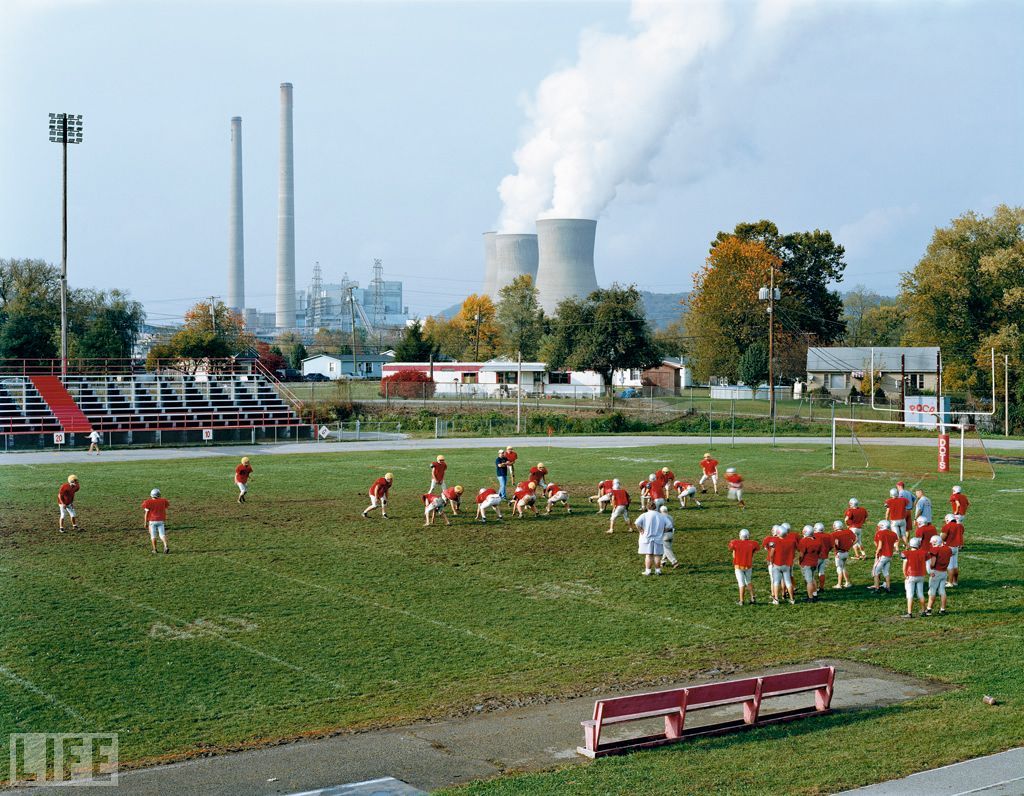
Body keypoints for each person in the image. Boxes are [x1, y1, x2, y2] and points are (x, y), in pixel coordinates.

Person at [766, 524, 797, 604]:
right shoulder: (791, 541)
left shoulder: (774, 541)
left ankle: (776, 599)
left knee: (776, 582)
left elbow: (772, 554)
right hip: (787, 564)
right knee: (788, 582)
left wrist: (771, 562)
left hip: (777, 564)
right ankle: (792, 599)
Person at [729, 529, 760, 605]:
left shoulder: (735, 543)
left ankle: (741, 601)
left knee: (741, 584)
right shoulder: (752, 544)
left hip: (738, 566)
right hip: (748, 566)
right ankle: (753, 598)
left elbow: (732, 551)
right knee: (748, 582)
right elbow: (754, 551)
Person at [634, 504, 667, 576]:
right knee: (657, 555)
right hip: (658, 537)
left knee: (648, 555)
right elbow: (668, 525)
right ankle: (658, 570)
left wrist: (641, 530)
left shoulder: (644, 515)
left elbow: (636, 523)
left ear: (647, 507)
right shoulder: (661, 515)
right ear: (655, 507)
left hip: (647, 537)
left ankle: (648, 571)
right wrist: (662, 531)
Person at [900, 537, 928, 618]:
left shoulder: (906, 553)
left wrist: (905, 575)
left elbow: (904, 566)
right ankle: (923, 611)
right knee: (920, 594)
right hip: (921, 575)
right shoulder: (923, 553)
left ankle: (909, 613)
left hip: (911, 575)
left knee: (910, 595)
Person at [925, 534, 952, 615]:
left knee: (932, 591)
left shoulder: (935, 550)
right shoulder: (948, 549)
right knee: (942, 591)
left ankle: (929, 610)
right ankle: (943, 609)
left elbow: (933, 563)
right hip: (944, 572)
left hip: (936, 572)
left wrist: (930, 568)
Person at [869, 520, 898, 592]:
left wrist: (877, 552)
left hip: (882, 555)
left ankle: (877, 588)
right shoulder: (893, 534)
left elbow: (880, 546)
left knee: (875, 572)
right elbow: (895, 544)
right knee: (886, 572)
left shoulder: (880, 533)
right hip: (889, 556)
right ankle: (888, 588)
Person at [142, 488, 170, 554]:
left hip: (152, 521)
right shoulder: (163, 501)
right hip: (161, 520)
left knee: (153, 536)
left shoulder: (148, 502)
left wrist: (145, 522)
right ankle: (165, 545)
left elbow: (146, 514)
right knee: (162, 535)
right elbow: (165, 507)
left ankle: (155, 549)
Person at [797, 526, 821, 601]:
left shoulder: (804, 541)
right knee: (813, 579)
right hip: (814, 562)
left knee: (809, 581)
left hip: (807, 563)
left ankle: (810, 597)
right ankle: (815, 594)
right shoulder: (817, 540)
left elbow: (801, 554)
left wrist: (800, 561)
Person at [941, 513, 965, 587]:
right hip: (956, 547)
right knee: (955, 565)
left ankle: (950, 582)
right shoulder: (960, 526)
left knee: (950, 566)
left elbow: (943, 538)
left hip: (949, 547)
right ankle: (955, 581)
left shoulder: (947, 526)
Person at [831, 520, 856, 589]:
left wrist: (835, 550)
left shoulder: (834, 534)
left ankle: (839, 584)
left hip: (839, 553)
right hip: (846, 553)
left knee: (839, 569)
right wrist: (850, 545)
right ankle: (848, 582)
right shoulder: (848, 531)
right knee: (843, 567)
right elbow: (855, 539)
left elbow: (834, 544)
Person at [811, 521, 832, 592]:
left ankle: (814, 590)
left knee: (812, 574)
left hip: (815, 557)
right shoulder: (828, 536)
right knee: (821, 572)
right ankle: (821, 587)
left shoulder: (813, 536)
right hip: (824, 556)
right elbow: (831, 546)